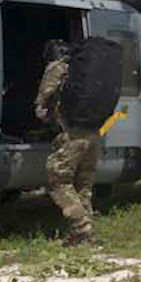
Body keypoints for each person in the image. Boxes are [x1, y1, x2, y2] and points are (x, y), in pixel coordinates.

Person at [35, 38, 101, 245]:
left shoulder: (57, 68)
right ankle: (87, 233)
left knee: (58, 180)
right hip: (93, 134)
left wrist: (45, 115)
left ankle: (82, 227)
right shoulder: (83, 71)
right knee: (83, 183)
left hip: (71, 134)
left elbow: (43, 100)